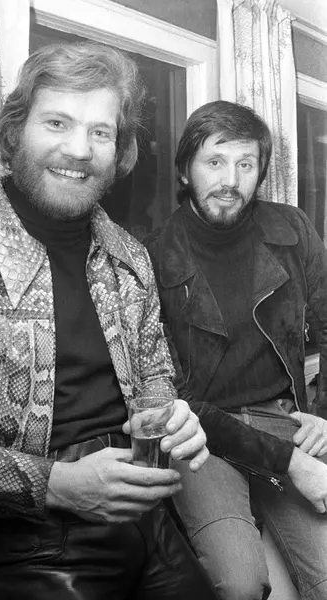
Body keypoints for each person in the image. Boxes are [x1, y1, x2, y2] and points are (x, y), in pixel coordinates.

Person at [0, 43, 316, 600]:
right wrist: (56, 484)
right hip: (32, 537)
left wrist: (173, 415)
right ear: (15, 131)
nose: (79, 149)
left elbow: (155, 379)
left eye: (100, 132)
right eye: (57, 122)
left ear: (120, 150)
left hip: (146, 513)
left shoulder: (129, 257)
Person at [144, 99, 327, 600]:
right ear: (185, 170)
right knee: (240, 583)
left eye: (246, 164)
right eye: (215, 161)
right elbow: (168, 395)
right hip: (202, 431)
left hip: (284, 419)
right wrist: (292, 465)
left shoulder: (293, 230)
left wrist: (323, 415)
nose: (231, 180)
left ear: (260, 172)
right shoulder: (152, 257)